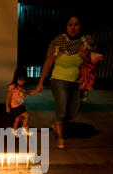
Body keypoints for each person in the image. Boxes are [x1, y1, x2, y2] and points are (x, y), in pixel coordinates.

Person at [36, 15, 97, 149]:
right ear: (65, 26)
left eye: (76, 24)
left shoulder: (86, 41)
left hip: (77, 81)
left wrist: (86, 56)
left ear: (81, 25)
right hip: (59, 80)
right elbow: (48, 62)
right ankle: (60, 137)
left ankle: (57, 124)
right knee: (62, 110)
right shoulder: (58, 41)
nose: (73, 28)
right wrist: (41, 82)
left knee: (73, 112)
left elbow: (93, 62)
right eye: (70, 24)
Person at [6, 67, 38, 137]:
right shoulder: (13, 86)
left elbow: (30, 93)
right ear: (16, 78)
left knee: (18, 119)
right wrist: (7, 106)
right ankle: (24, 130)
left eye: (23, 80)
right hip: (14, 106)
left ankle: (14, 131)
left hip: (21, 105)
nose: (21, 82)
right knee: (27, 116)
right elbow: (8, 97)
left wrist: (36, 91)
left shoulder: (24, 87)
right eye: (19, 80)